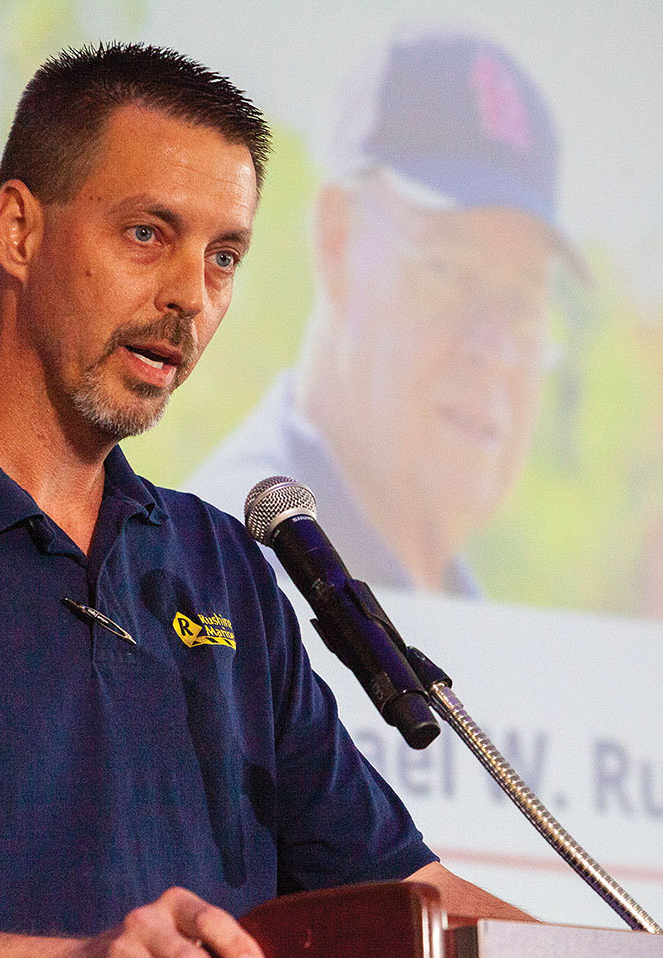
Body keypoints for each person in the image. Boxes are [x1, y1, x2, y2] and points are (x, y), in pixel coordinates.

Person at [0, 43, 525, 958]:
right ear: (17, 231)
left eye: (224, 256)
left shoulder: (222, 568)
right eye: (146, 234)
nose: (190, 297)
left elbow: (409, 899)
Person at [186, 32, 580, 596]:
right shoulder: (229, 568)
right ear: (337, 242)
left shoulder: (451, 583)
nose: (491, 348)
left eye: (522, 302)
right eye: (446, 269)